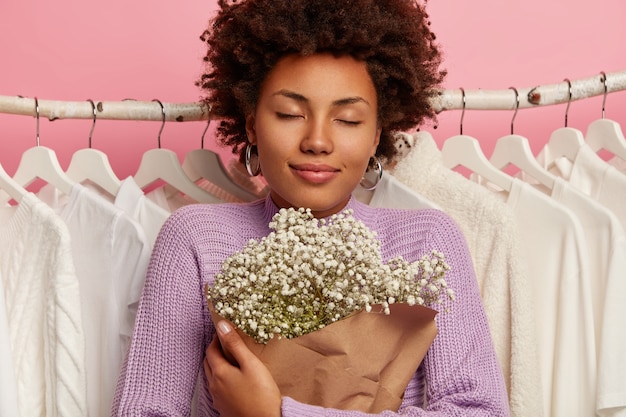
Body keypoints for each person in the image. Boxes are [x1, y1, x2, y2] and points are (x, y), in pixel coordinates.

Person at [111, 0, 511, 416]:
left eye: (349, 119)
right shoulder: (195, 238)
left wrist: (276, 414)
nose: (317, 140)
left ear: (377, 133)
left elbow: (480, 411)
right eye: (289, 113)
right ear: (251, 123)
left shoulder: (427, 243)